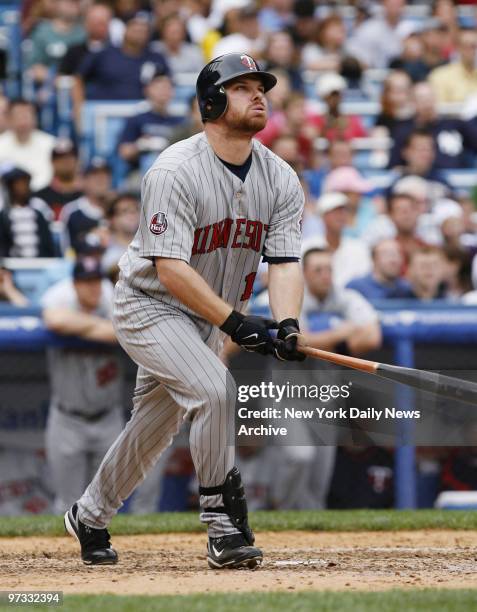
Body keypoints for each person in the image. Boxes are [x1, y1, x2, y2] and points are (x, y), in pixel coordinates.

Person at [63, 53, 306, 570]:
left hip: (207, 317)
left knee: (152, 428)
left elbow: (284, 262)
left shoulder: (281, 177)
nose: (258, 94)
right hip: (148, 304)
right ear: (212, 102)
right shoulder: (175, 169)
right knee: (215, 388)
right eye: (241, 87)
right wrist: (238, 324)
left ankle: (89, 514)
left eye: (261, 86)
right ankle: (223, 523)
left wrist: (287, 324)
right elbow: (170, 269)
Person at [41, 257, 124, 514]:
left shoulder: (113, 299)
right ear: (74, 285)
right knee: (67, 502)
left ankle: (102, 551)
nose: (93, 287)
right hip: (67, 420)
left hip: (108, 418)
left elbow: (123, 331)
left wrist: (85, 328)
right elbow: (55, 321)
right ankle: (62, 555)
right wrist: (98, 328)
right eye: (85, 282)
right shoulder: (60, 300)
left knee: (106, 503)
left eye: (96, 281)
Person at [77, 11, 169, 101]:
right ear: (125, 30)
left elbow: (168, 83)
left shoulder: (156, 58)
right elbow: (78, 78)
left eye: (143, 31)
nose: (139, 34)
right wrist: (79, 107)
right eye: (135, 30)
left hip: (143, 110)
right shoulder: (104, 54)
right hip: (104, 110)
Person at [118, 68, 186, 166]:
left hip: (173, 168)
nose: (163, 91)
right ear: (147, 90)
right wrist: (140, 145)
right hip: (141, 172)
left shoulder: (180, 122)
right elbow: (124, 152)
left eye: (167, 87)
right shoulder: (137, 120)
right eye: (159, 87)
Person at [306, 192, 371, 287]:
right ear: (323, 216)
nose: (341, 216)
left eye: (344, 212)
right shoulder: (307, 247)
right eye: (335, 212)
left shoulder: (359, 248)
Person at [0, 99, 56, 191]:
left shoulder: (51, 144)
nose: (22, 120)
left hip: (43, 196)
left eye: (26, 115)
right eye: (18, 116)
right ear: (9, 119)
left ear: (35, 118)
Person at [25, 0, 85, 83]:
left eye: (76, 2)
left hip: (79, 88)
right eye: (69, 1)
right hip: (48, 88)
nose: (73, 4)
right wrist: (57, 80)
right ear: (56, 3)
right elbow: (33, 67)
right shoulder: (42, 31)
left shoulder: (84, 32)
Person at [0, 168, 55, 258]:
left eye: (25, 183)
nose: (23, 188)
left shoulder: (38, 212)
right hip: (13, 266)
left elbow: (47, 242)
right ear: (10, 187)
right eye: (18, 184)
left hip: (40, 265)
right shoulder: (4, 216)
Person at [60, 160, 112, 254]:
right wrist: (92, 238)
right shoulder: (72, 211)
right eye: (94, 176)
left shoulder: (120, 207)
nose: (101, 180)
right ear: (83, 180)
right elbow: (66, 250)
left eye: (105, 175)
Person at [347, 238, 414, 300]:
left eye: (397, 254)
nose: (393, 260)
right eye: (387, 254)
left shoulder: (408, 289)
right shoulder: (356, 288)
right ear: (374, 259)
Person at [34, 139, 83, 221]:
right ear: (52, 162)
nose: (65, 162)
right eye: (60, 158)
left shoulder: (87, 196)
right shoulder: (40, 197)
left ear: (77, 161)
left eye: (70, 157)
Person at [429, 28, 477, 104]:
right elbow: (439, 108)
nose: (474, 51)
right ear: (459, 48)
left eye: (474, 47)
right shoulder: (440, 76)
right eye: (469, 46)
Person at [315, 72, 367, 141]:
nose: (334, 98)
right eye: (331, 95)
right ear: (323, 97)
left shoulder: (353, 119)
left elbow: (361, 136)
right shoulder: (316, 120)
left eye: (337, 94)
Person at [102, 193, 140, 279]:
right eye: (125, 211)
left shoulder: (149, 242)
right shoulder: (103, 244)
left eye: (136, 210)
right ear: (112, 219)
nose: (132, 215)